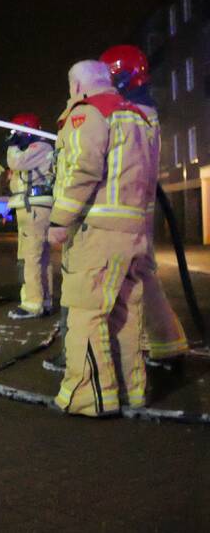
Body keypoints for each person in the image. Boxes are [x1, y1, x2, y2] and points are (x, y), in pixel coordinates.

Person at [47, 60, 157, 416]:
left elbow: (82, 167)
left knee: (86, 312)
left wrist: (60, 219)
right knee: (126, 315)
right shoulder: (136, 117)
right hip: (133, 232)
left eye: (69, 87)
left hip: (98, 232)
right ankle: (133, 391)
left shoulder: (88, 112)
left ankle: (90, 397)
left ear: (78, 86)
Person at [100, 44, 189, 365]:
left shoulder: (129, 116)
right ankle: (167, 343)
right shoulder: (142, 113)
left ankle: (99, 353)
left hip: (123, 212)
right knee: (141, 275)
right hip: (136, 210)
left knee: (106, 283)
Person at [5, 112, 55, 319]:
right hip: (31, 206)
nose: (12, 135)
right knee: (40, 257)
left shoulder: (40, 147)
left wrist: (12, 145)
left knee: (31, 257)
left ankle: (32, 303)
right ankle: (44, 299)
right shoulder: (38, 149)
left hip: (34, 207)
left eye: (15, 132)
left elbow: (15, 162)